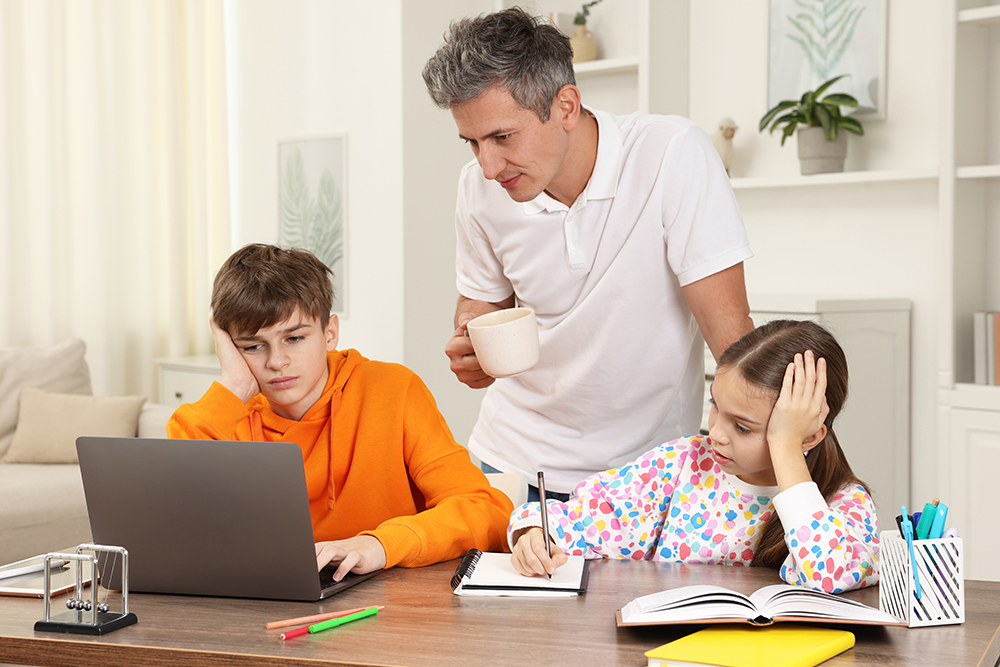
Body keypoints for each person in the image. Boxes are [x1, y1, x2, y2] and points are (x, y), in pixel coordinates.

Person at [422, 7, 754, 501]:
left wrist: (777, 474)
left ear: (566, 107)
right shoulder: (476, 188)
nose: (488, 166)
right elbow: (479, 302)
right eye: (472, 143)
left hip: (649, 475)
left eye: (502, 137)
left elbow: (730, 334)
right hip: (512, 465)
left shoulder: (671, 155)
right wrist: (472, 342)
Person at [167, 244, 513, 581]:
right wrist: (235, 388)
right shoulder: (227, 415)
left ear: (329, 333)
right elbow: (167, 523)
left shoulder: (392, 390)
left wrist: (378, 544)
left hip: (389, 606)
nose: (276, 362)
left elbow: (487, 512)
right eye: (254, 346)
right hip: (262, 610)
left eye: (294, 338)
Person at [509, 320, 879, 594]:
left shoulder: (843, 503)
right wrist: (533, 533)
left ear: (808, 435)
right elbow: (576, 520)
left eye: (743, 427)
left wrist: (785, 447)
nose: (715, 433)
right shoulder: (680, 464)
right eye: (715, 407)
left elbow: (827, 576)